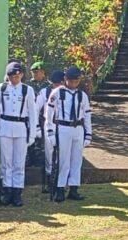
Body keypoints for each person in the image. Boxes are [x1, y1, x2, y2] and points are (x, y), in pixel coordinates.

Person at [0, 61, 38, 207]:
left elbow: (33, 113)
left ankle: (17, 193)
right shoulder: (1, 88)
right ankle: (7, 191)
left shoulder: (27, 90)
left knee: (19, 162)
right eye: (11, 77)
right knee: (6, 162)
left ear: (21, 75)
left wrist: (32, 134)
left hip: (21, 128)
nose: (14, 79)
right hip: (4, 127)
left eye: (17, 76)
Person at [44, 66, 93, 202]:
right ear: (65, 79)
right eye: (71, 81)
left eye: (76, 81)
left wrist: (88, 133)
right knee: (63, 160)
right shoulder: (57, 93)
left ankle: (74, 188)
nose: (74, 84)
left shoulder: (81, 95)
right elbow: (49, 113)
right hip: (63, 127)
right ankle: (60, 187)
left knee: (77, 160)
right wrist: (50, 132)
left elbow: (87, 115)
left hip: (78, 128)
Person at [36, 70, 65, 192]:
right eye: (56, 84)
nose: (57, 86)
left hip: (64, 125)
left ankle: (60, 180)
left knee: (62, 152)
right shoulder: (45, 92)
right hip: (49, 124)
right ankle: (49, 179)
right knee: (49, 152)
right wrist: (37, 127)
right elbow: (36, 109)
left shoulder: (68, 92)